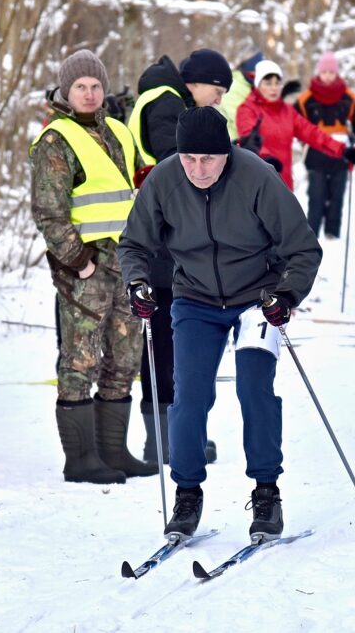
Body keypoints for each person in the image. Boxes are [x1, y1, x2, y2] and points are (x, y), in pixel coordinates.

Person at [118, 107, 323, 540]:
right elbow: (134, 243)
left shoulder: (257, 177)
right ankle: (187, 493)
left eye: (208, 159)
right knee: (189, 396)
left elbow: (304, 249)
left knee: (254, 389)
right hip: (195, 298)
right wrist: (137, 283)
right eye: (189, 159)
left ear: (226, 153)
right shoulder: (165, 179)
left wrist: (286, 295)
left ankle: (266, 493)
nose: (198, 169)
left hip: (255, 300)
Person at [30, 49, 155, 484]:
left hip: (128, 263)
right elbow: (49, 210)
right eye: (80, 86)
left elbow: (141, 186)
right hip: (84, 269)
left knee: (125, 358)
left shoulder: (120, 131)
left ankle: (113, 452)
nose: (89, 93)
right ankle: (80, 459)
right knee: (80, 361)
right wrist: (78, 263)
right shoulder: (56, 139)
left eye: (95, 86)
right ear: (66, 91)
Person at [126, 48, 232, 465]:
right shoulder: (166, 103)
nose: (219, 99)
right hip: (159, 238)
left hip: (167, 234)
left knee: (172, 340)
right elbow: (182, 164)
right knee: (164, 341)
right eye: (218, 89)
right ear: (198, 82)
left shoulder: (169, 99)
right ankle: (163, 441)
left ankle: (175, 436)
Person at [236, 59, 355, 192]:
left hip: (284, 184)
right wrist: (265, 159)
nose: (274, 88)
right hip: (258, 183)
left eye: (277, 83)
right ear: (258, 85)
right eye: (268, 83)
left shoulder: (287, 112)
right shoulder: (247, 110)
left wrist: (342, 150)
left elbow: (313, 134)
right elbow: (248, 141)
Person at [294, 51, 355, 239]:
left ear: (337, 74)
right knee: (316, 195)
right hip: (315, 152)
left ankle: (333, 232)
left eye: (331, 72)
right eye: (324, 72)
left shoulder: (348, 96)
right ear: (319, 73)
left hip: (341, 152)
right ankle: (312, 232)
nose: (327, 76)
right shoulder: (306, 98)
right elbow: (295, 121)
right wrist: (303, 141)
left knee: (337, 194)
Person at [219, 49, 263, 141]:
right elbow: (241, 122)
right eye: (255, 71)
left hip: (249, 144)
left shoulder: (253, 87)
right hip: (233, 145)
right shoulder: (233, 87)